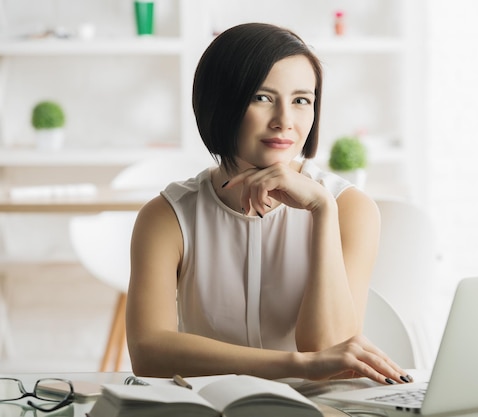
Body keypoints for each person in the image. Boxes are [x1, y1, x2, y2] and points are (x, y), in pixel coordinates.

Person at [126, 22, 411, 385]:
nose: (285, 122)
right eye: (262, 97)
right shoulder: (167, 217)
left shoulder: (349, 208)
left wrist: (323, 211)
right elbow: (148, 352)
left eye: (301, 100)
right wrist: (297, 365)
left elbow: (328, 347)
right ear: (220, 103)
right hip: (212, 405)